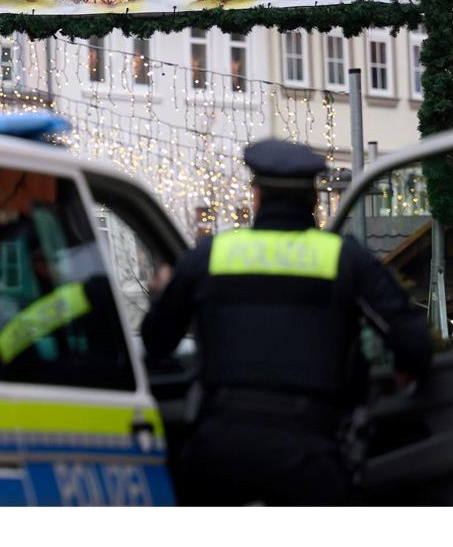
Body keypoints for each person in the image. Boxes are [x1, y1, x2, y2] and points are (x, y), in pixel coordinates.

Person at [141, 139, 432, 505]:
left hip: (219, 455)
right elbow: (413, 342)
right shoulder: (345, 260)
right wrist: (406, 371)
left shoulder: (210, 257)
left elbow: (156, 341)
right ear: (312, 201)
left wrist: (163, 290)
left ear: (257, 195)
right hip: (309, 457)